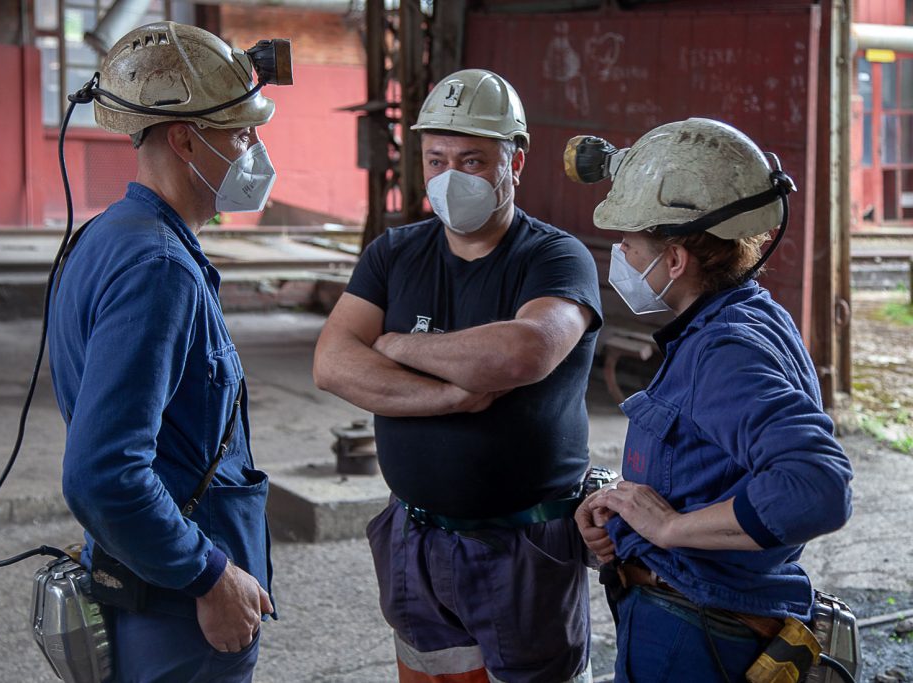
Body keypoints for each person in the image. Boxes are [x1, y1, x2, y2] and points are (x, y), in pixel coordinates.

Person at [313, 68, 603, 683]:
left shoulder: (554, 256)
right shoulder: (394, 253)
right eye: (437, 160)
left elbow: (522, 354)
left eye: (472, 161)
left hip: (524, 546)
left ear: (514, 162)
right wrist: (450, 394)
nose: (451, 177)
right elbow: (333, 363)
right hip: (413, 539)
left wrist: (394, 344)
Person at [571, 118, 854, 682]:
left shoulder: (724, 350)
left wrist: (671, 530)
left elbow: (818, 486)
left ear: (675, 259)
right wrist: (625, 505)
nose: (620, 253)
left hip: (693, 635)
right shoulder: (746, 313)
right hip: (697, 619)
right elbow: (712, 465)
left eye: (628, 243)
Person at [47, 21, 281, 682]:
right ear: (185, 138)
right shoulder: (159, 267)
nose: (254, 150)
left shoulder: (112, 235)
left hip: (150, 584)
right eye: (241, 133)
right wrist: (208, 575)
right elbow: (103, 472)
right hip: (179, 612)